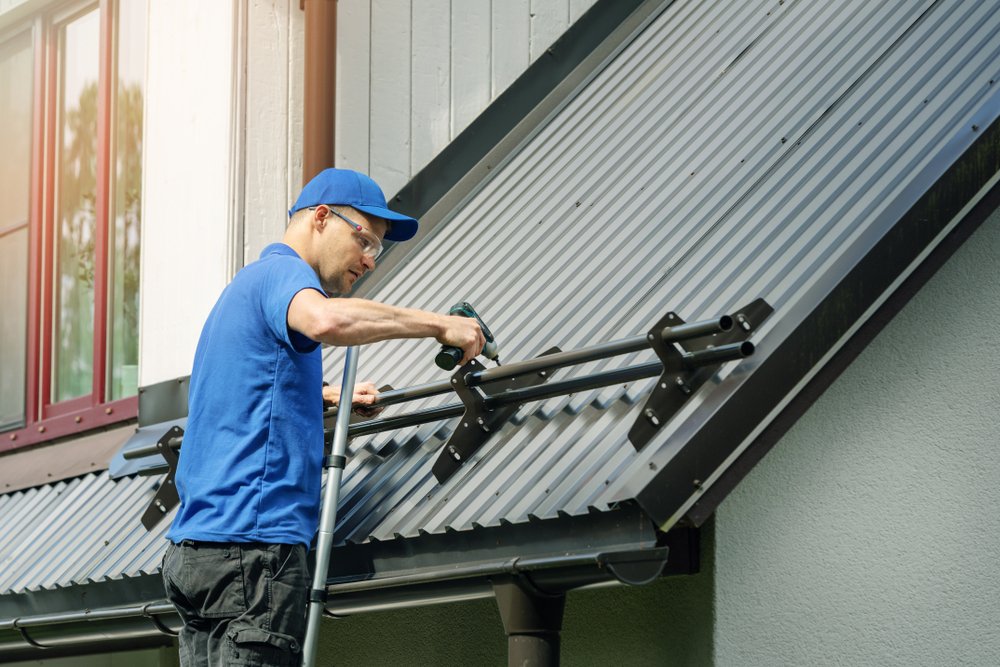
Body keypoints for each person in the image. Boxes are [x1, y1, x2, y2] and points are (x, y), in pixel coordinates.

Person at [161, 168, 484, 666]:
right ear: (320, 217)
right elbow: (326, 320)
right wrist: (441, 325)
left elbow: (241, 395)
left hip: (198, 553)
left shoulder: (241, 291)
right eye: (365, 240)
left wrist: (323, 397)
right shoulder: (284, 273)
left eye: (377, 249)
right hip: (252, 550)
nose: (370, 259)